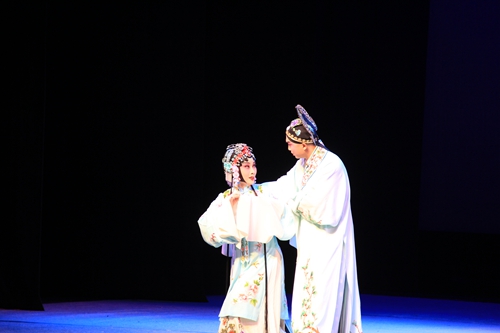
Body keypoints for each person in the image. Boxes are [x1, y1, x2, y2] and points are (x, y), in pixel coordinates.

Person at [267, 105, 363, 333]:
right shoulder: (304, 165)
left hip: (328, 243)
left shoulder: (332, 165)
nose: (288, 147)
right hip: (310, 243)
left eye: (290, 143)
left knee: (321, 295)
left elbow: (323, 208)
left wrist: (294, 201)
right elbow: (284, 185)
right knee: (306, 293)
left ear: (304, 143)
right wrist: (257, 191)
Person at [198, 143, 296, 333]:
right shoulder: (226, 198)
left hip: (270, 258)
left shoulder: (265, 191)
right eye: (246, 166)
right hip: (244, 260)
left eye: (254, 165)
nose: (252, 171)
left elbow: (288, 193)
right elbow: (207, 226)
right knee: (241, 303)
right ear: (234, 170)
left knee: (268, 309)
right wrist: (231, 209)